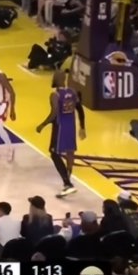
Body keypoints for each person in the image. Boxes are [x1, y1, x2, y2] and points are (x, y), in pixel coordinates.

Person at [35, 69, 85, 198]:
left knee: (54, 153)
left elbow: (54, 113)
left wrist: (43, 124)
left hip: (60, 127)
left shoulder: (55, 95)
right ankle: (68, 179)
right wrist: (82, 127)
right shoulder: (72, 92)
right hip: (71, 126)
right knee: (70, 152)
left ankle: (67, 183)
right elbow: (80, 109)